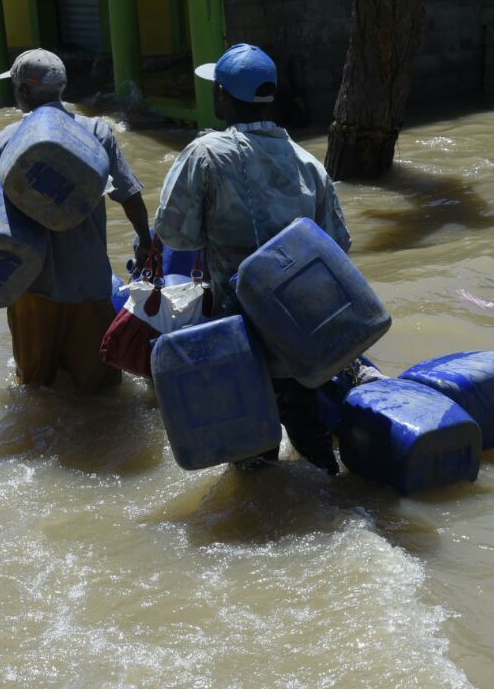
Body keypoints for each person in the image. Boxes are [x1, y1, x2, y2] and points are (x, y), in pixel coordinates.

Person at [154, 44, 369, 474]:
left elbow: (174, 235)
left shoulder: (206, 154)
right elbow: (336, 248)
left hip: (238, 333)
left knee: (251, 460)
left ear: (222, 97)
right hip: (302, 334)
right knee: (313, 442)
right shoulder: (310, 164)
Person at [0, 49, 151, 394]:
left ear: (25, 93)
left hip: (32, 286)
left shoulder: (9, 138)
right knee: (101, 392)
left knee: (35, 390)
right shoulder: (97, 132)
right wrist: (145, 241)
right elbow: (129, 194)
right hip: (89, 284)